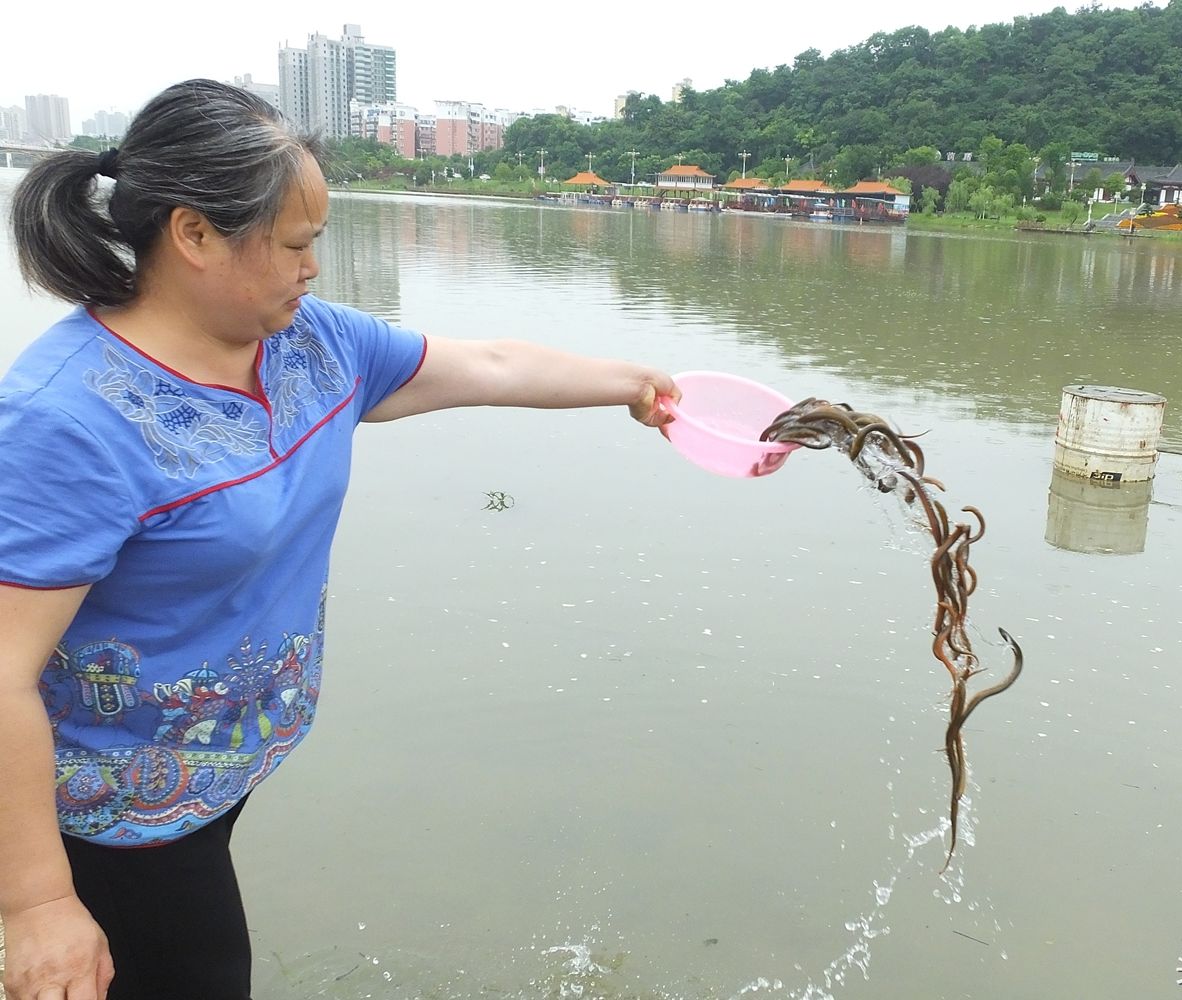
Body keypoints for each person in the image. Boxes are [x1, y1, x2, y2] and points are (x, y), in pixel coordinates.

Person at [0, 79, 678, 1000]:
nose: (313, 268)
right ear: (194, 234)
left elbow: (486, 364)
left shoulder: (304, 344)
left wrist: (635, 383)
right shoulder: (67, 421)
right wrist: (38, 904)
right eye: (295, 244)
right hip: (106, 813)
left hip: (220, 771)